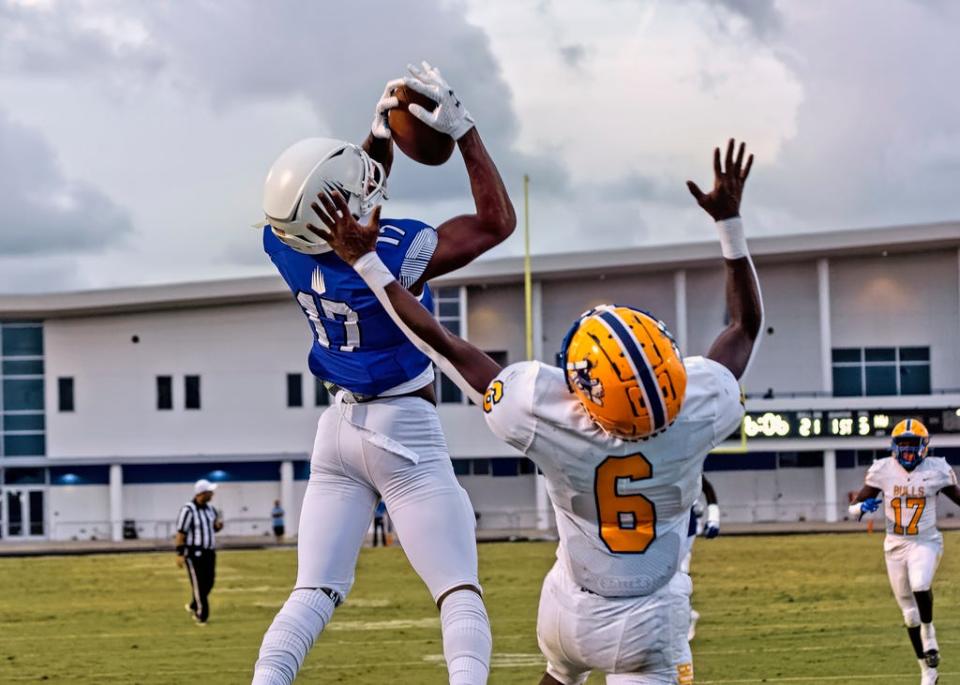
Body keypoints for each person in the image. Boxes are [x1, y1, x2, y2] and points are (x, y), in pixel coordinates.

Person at [314, 138, 763, 684]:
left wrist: (364, 260)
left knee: (559, 671)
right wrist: (730, 223)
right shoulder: (699, 407)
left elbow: (440, 342)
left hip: (569, 606)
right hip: (650, 614)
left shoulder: (547, 414)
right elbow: (742, 329)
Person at [252, 62, 515, 685]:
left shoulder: (282, 243)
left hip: (337, 432)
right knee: (458, 592)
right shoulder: (396, 249)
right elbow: (494, 223)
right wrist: (468, 134)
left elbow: (347, 213)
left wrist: (374, 141)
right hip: (404, 431)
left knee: (313, 590)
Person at [849, 419, 960, 685]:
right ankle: (928, 672)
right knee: (909, 615)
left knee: (921, 584)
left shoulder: (937, 470)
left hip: (925, 541)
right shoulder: (883, 470)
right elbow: (853, 508)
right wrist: (860, 510)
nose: (908, 451)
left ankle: (929, 633)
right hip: (895, 545)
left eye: (913, 445)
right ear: (894, 446)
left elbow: (958, 498)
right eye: (904, 445)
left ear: (924, 447)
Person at [175, 479, 223, 625]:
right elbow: (181, 533)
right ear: (202, 493)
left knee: (209, 582)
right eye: (210, 491)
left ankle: (193, 605)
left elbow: (213, 528)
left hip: (209, 551)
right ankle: (201, 615)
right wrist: (179, 553)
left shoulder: (211, 509)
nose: (212, 494)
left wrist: (219, 526)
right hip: (194, 552)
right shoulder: (188, 509)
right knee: (199, 584)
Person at [681, 476, 720, 640]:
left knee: (679, 571)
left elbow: (706, 485)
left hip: (683, 524)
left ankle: (686, 616)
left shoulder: (684, 460)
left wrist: (714, 517)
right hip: (655, 523)